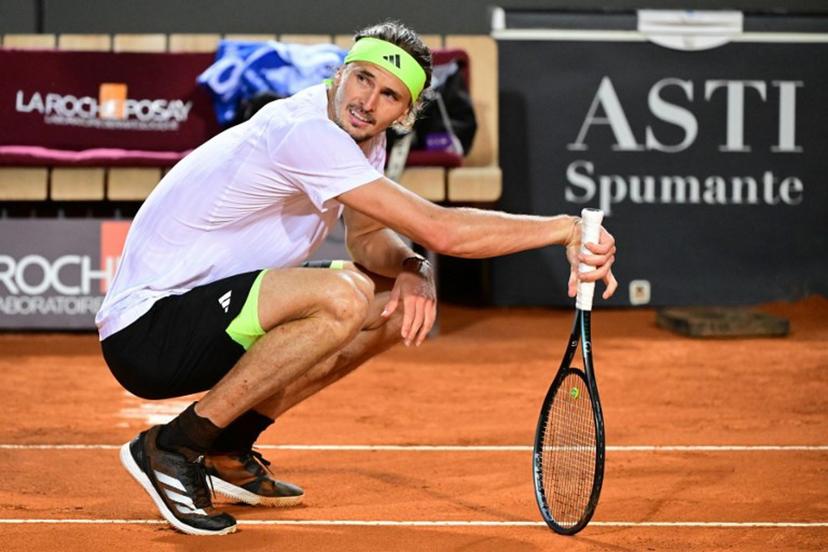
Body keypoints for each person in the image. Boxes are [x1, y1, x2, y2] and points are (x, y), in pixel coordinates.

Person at [96, 21, 617, 536]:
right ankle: (174, 447)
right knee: (342, 296)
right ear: (340, 72)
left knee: (393, 310)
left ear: (405, 112)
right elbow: (442, 230)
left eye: (389, 94)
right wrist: (565, 228)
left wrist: (414, 268)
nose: (368, 101)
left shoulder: (365, 139)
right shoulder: (305, 131)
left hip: (204, 316)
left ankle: (228, 446)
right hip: (148, 332)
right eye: (363, 78)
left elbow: (367, 241)